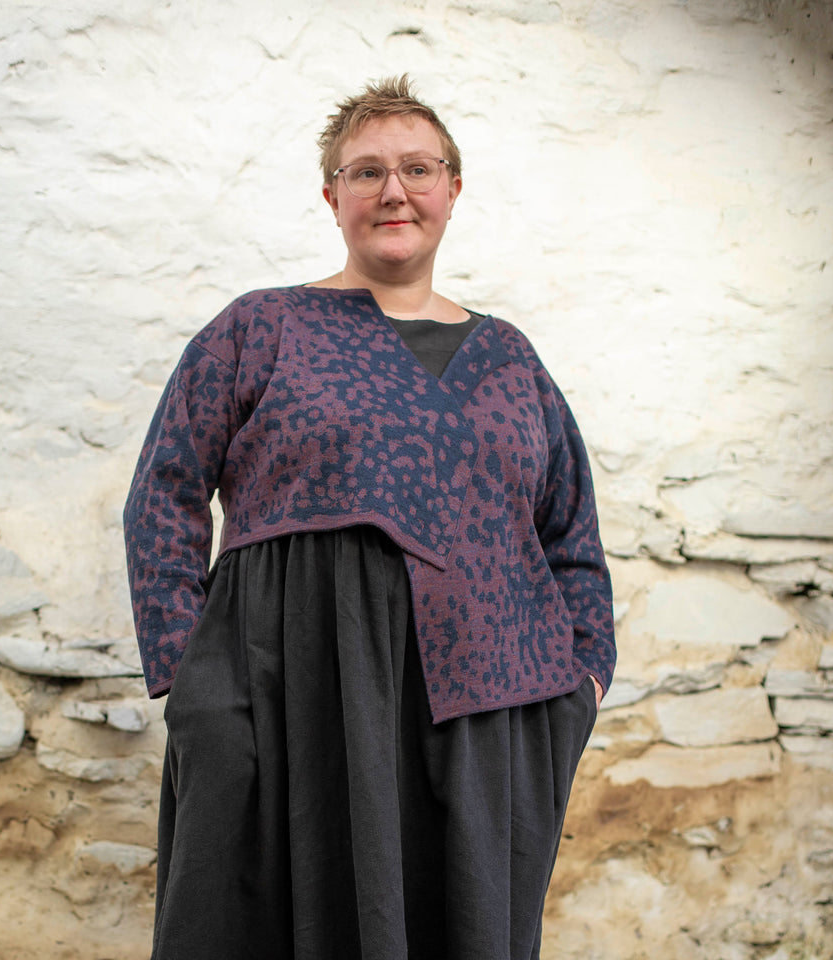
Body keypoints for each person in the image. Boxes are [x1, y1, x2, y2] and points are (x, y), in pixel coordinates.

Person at [124, 75, 615, 960]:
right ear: (332, 196)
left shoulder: (511, 362)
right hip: (292, 702)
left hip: (483, 722)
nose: (394, 191)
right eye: (366, 172)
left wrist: (582, 685)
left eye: (418, 169)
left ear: (452, 190)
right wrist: (190, 680)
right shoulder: (260, 329)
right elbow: (165, 490)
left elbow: (570, 534)